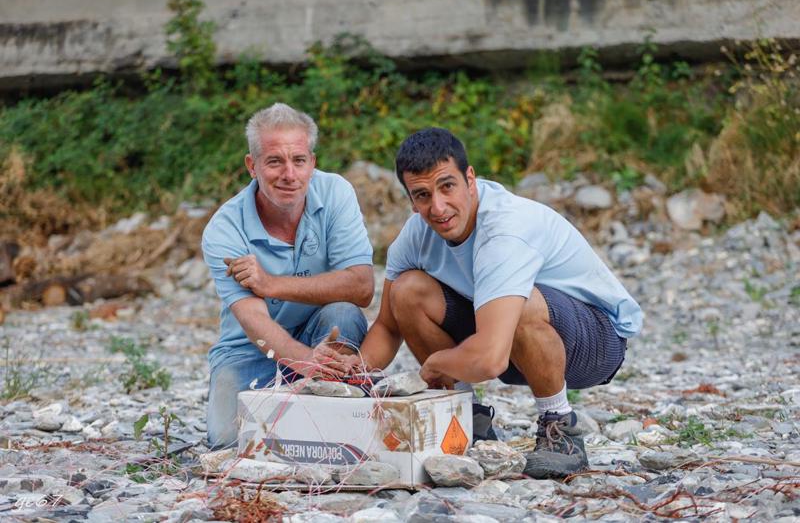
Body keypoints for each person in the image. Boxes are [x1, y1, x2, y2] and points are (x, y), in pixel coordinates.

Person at [354, 127, 643, 478]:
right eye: (423, 195)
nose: (438, 207)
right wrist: (351, 374)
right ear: (412, 201)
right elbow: (387, 326)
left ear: (470, 180)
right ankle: (465, 419)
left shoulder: (505, 229)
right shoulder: (415, 235)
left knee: (519, 302)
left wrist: (436, 364)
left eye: (447, 186)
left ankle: (559, 428)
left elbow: (490, 360)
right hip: (505, 340)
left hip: (596, 343)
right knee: (407, 291)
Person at [201, 103, 374, 448]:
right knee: (226, 443)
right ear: (252, 166)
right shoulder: (225, 228)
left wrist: (270, 284)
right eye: (274, 162)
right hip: (250, 351)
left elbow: (361, 286)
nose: (289, 174)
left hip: (318, 335)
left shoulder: (335, 192)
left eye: (299, 160)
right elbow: (253, 320)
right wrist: (304, 361)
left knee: (344, 314)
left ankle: (330, 409)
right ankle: (316, 410)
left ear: (312, 162)